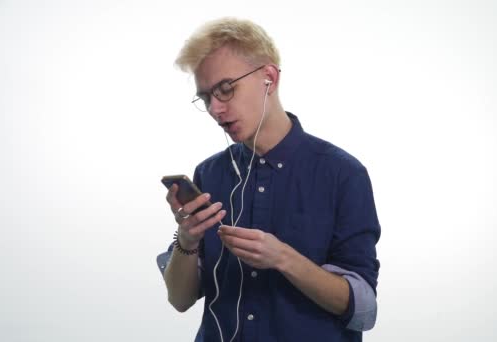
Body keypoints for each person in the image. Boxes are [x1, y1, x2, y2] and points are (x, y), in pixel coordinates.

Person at [156, 17, 381, 342]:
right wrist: (187, 241)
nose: (216, 109)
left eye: (225, 89)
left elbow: (364, 309)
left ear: (269, 78)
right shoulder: (209, 173)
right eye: (206, 98)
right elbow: (180, 300)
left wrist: (283, 258)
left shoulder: (343, 174)